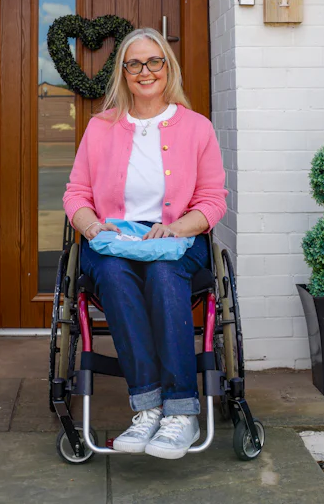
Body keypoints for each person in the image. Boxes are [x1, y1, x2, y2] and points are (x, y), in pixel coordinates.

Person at [63, 27, 228, 460]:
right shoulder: (101, 128)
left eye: (154, 61)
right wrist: (94, 227)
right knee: (115, 276)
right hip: (113, 239)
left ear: (167, 68)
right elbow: (75, 194)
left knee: (161, 272)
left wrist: (176, 229)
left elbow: (212, 201)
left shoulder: (197, 128)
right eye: (134, 63)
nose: (145, 71)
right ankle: (149, 406)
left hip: (177, 239)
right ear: (123, 72)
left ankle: (181, 412)